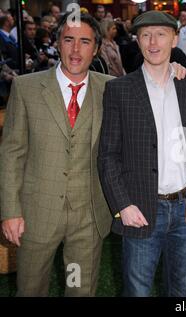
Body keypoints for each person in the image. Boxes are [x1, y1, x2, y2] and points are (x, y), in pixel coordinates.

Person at [0, 13, 114, 296]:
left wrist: (175, 69)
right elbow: (11, 153)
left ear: (96, 48)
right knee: (30, 288)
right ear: (57, 43)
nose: (76, 50)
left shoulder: (112, 88)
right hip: (36, 213)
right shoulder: (26, 88)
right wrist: (10, 211)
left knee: (79, 289)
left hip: (87, 215)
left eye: (85, 42)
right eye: (69, 40)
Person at [97, 10, 186, 297]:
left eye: (160, 34)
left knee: (181, 291)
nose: (153, 42)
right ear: (138, 40)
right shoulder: (119, 89)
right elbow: (108, 155)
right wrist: (123, 206)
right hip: (141, 209)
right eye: (145, 35)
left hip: (184, 210)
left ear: (174, 38)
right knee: (137, 291)